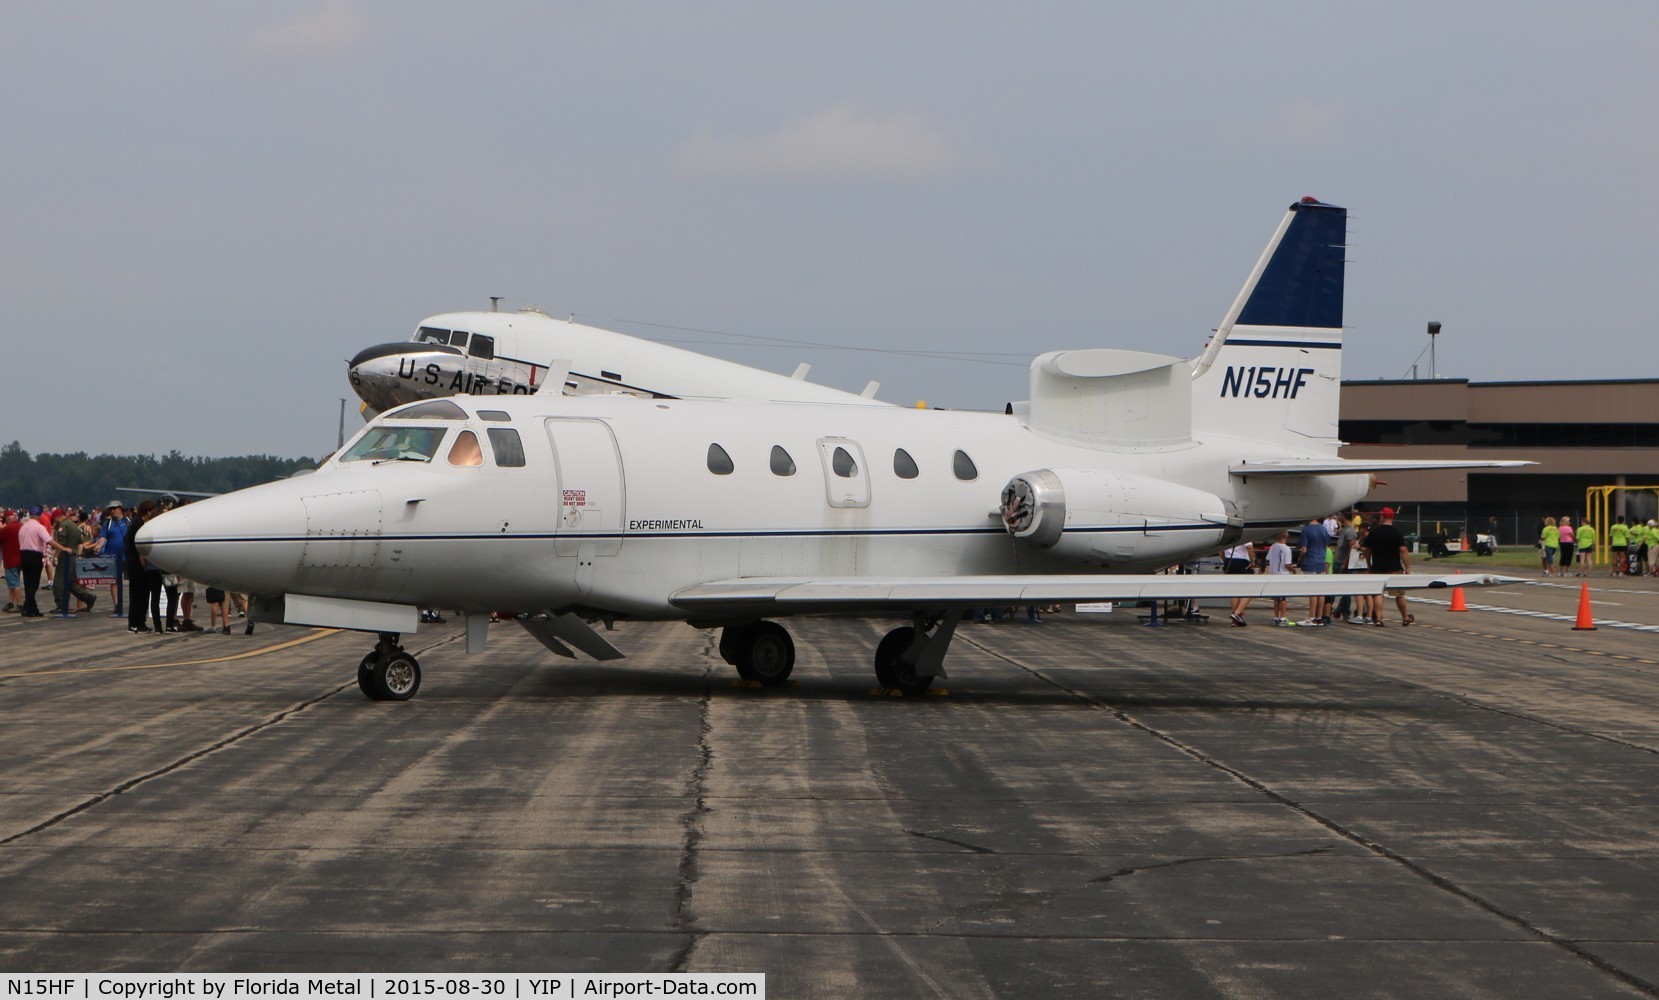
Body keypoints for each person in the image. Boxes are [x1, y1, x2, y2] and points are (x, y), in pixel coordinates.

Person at [1362, 507, 1413, 626]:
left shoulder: (1374, 532)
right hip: (1394, 569)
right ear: (1392, 517)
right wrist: (1407, 568)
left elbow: (1367, 550)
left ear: (1383, 517)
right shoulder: (1396, 532)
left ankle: (1379, 619)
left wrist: (1369, 564)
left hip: (1377, 568)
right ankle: (1405, 617)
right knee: (1399, 595)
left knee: (1378, 594)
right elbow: (1403, 550)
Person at [50, 510, 95, 618]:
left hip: (66, 556)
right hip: (74, 555)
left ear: (58, 517)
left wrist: (55, 557)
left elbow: (61, 544)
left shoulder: (63, 526)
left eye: (55, 518)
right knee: (70, 582)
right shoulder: (73, 525)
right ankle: (88, 597)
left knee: (59, 582)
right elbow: (80, 542)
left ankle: (62, 605)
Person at [124, 500, 160, 634]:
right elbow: (141, 547)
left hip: (132, 562)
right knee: (139, 594)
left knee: (137, 593)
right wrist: (144, 564)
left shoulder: (135, 522)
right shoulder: (139, 524)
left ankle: (137, 622)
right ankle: (136, 623)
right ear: (149, 511)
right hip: (137, 564)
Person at [96, 500, 130, 616]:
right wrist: (99, 546)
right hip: (113, 556)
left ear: (120, 509)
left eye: (115, 508)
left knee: (133, 579)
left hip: (128, 555)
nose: (112, 511)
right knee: (114, 581)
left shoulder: (128, 522)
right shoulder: (108, 523)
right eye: (111, 509)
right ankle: (117, 604)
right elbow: (102, 537)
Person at [1296, 516, 1331, 625]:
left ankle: (1311, 617)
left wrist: (1300, 558)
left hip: (1310, 561)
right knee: (1320, 591)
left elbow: (1304, 549)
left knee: (1312, 591)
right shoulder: (1323, 529)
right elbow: (1326, 546)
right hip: (1321, 561)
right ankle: (1319, 617)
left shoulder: (1306, 530)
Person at [17, 507, 52, 618]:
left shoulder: (23, 527)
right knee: (34, 583)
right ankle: (27, 606)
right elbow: (49, 540)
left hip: (23, 555)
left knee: (28, 583)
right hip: (34, 555)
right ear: (40, 515)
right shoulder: (39, 527)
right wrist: (63, 548)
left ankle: (33, 609)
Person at [1223, 540, 1254, 626]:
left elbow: (1220, 550)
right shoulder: (1245, 531)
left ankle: (1235, 620)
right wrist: (1252, 561)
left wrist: (1225, 560)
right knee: (1252, 588)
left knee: (1235, 591)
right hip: (1241, 561)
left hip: (1228, 560)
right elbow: (1249, 546)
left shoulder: (1228, 533)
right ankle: (1237, 613)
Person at [1266, 530, 1293, 626]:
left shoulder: (1273, 546)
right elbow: (1287, 564)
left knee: (1276, 598)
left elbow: (1268, 559)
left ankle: (1275, 617)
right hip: (1283, 576)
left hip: (1274, 575)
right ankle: (1283, 617)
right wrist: (1293, 570)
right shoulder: (1286, 549)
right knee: (1284, 598)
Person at [1, 509, 23, 612]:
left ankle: (19, 604)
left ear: (8, 518)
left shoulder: (7, 529)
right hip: (20, 558)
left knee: (14, 583)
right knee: (13, 582)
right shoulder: (21, 527)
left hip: (10, 559)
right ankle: (10, 602)